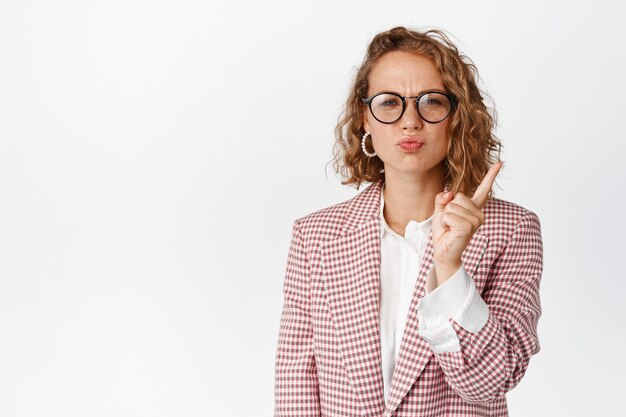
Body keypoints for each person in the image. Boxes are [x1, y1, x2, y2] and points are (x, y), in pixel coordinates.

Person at [274, 26, 543, 417]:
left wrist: (450, 268)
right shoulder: (315, 236)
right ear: (364, 118)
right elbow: (295, 383)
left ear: (456, 116)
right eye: (389, 103)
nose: (410, 121)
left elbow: (492, 381)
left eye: (431, 102)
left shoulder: (511, 230)